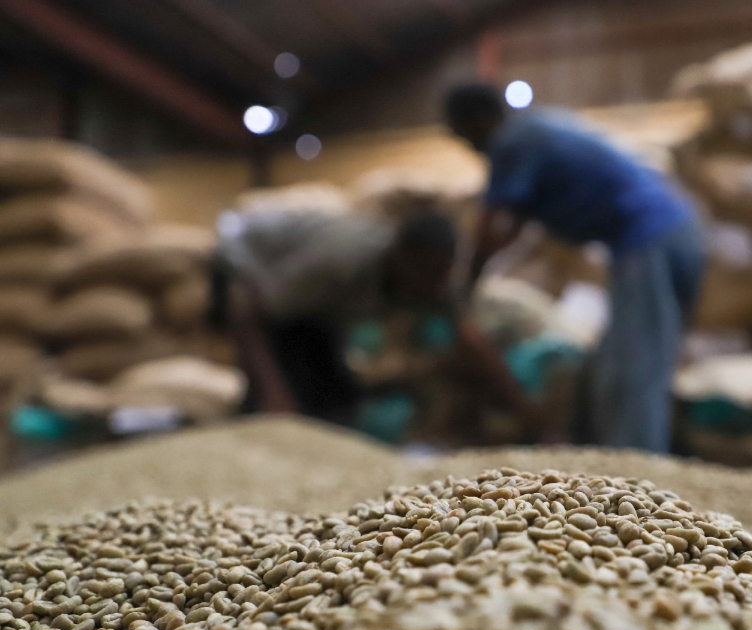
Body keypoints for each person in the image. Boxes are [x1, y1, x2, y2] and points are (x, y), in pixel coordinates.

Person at [444, 83, 706, 453]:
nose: (467, 146)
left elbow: (490, 226)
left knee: (636, 364)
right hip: (668, 234)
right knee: (625, 357)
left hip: (650, 236)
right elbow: (513, 227)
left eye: (463, 135)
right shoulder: (535, 131)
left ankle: (638, 471)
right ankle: (624, 454)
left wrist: (464, 287)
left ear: (479, 120)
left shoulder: (512, 141)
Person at [214, 207, 543, 437]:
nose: (435, 287)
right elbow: (248, 311)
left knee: (337, 399)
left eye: (444, 274)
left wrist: (529, 416)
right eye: (429, 274)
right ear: (399, 257)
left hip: (313, 308)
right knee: (282, 391)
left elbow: (471, 341)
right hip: (247, 263)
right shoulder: (339, 263)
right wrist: (274, 394)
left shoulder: (433, 281)